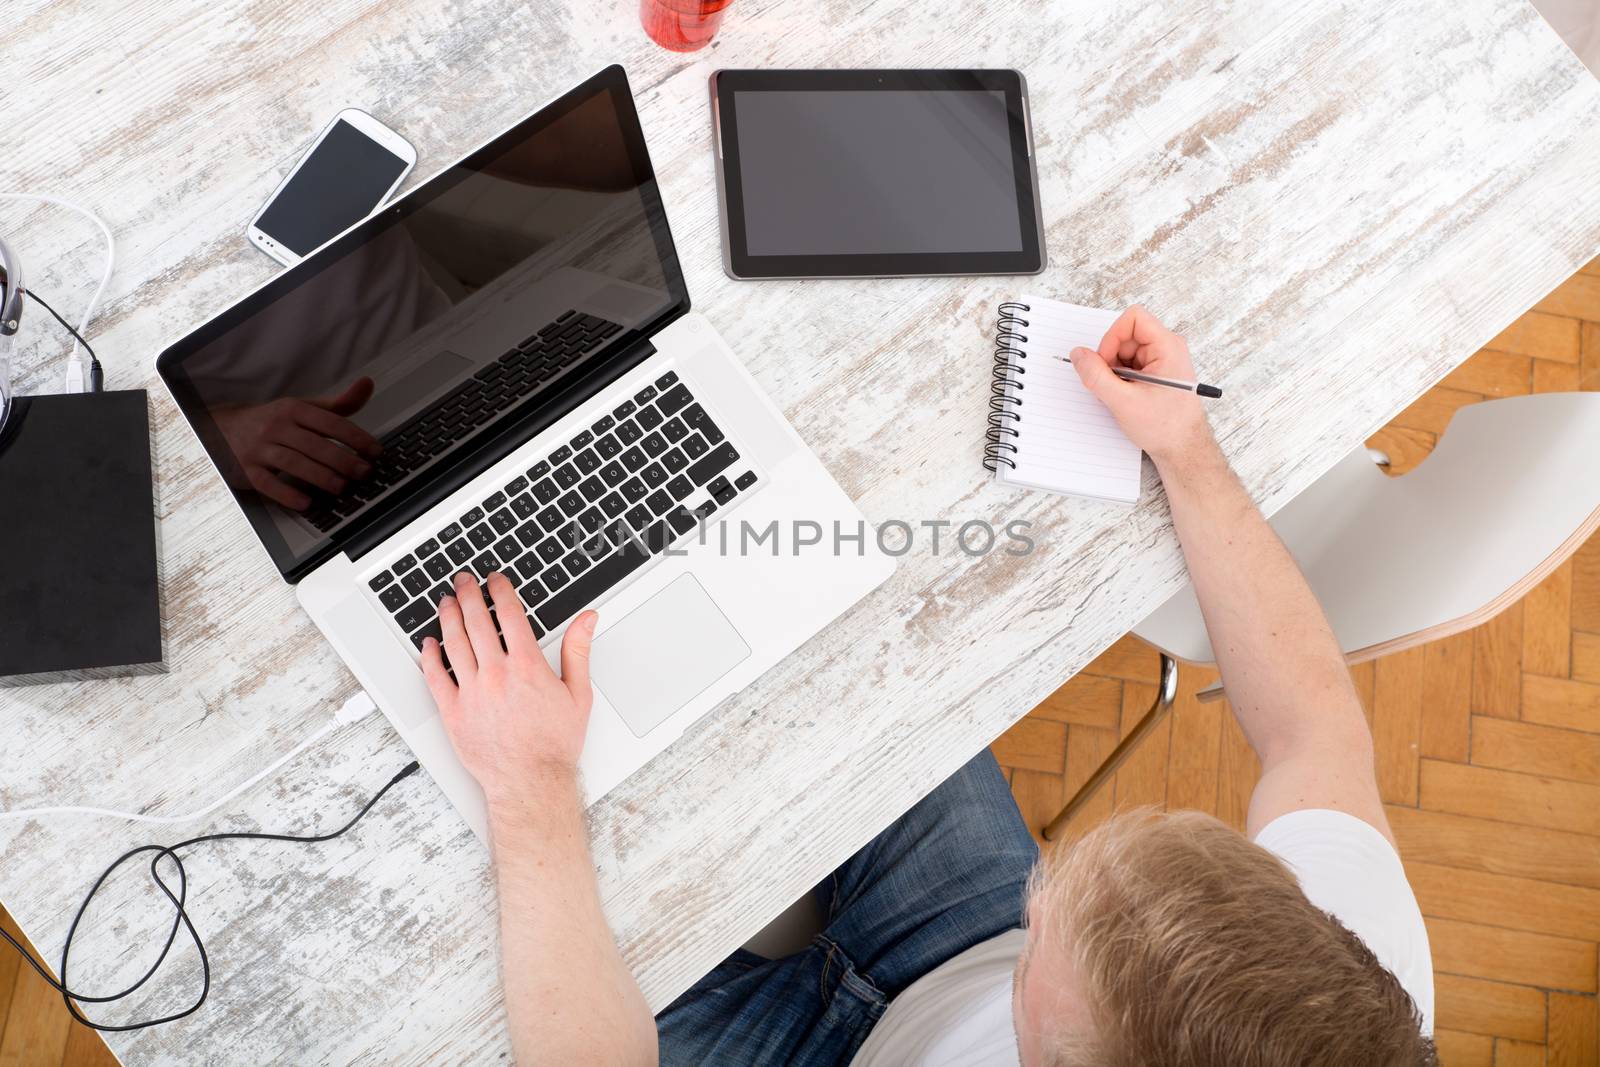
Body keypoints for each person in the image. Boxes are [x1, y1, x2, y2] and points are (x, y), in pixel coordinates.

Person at [415, 306, 1436, 1066]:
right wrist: (1186, 447)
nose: (1032, 887)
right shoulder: (1342, 993)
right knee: (829, 616)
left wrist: (532, 782)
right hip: (949, 940)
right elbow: (1312, 736)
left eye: (1044, 931)